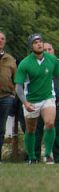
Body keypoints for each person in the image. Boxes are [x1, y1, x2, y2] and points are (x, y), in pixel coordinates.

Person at [14, 34, 59, 164]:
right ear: (31, 46)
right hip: (31, 99)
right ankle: (32, 157)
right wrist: (25, 102)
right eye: (35, 42)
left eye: (40, 41)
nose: (39, 44)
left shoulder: (52, 59)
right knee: (31, 130)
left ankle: (48, 155)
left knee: (50, 123)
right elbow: (18, 87)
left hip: (48, 97)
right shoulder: (25, 63)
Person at [34, 42, 59, 163]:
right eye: (45, 49)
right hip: (37, 102)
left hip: (56, 104)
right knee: (36, 131)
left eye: (50, 49)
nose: (48, 51)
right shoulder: (33, 65)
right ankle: (34, 157)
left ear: (54, 51)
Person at [0, 31, 17, 163]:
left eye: (2, 39)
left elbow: (17, 79)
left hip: (5, 98)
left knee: (1, 129)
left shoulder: (10, 59)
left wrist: (13, 94)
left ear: (5, 42)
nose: (0, 40)